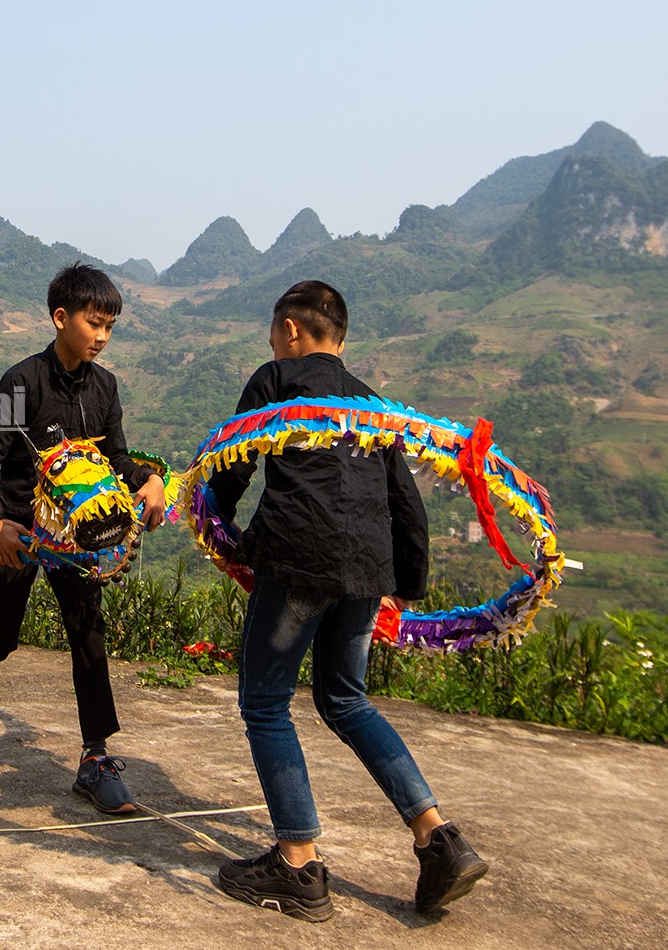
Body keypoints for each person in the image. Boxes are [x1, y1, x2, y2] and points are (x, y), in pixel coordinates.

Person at [205, 280, 487, 922]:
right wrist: (402, 583)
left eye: (276, 332)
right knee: (345, 698)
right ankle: (438, 838)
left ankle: (297, 864)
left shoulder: (275, 378)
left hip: (300, 559)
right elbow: (403, 499)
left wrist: (220, 534)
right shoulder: (368, 402)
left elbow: (230, 464)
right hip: (366, 567)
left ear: (292, 331)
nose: (275, 343)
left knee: (267, 701)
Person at [0, 262, 167, 814]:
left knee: (87, 632)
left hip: (77, 538)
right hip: (22, 532)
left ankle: (95, 758)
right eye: (94, 323)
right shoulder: (22, 380)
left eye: (110, 326)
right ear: (60, 318)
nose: (102, 337)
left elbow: (116, 458)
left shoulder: (106, 387)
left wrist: (150, 481)